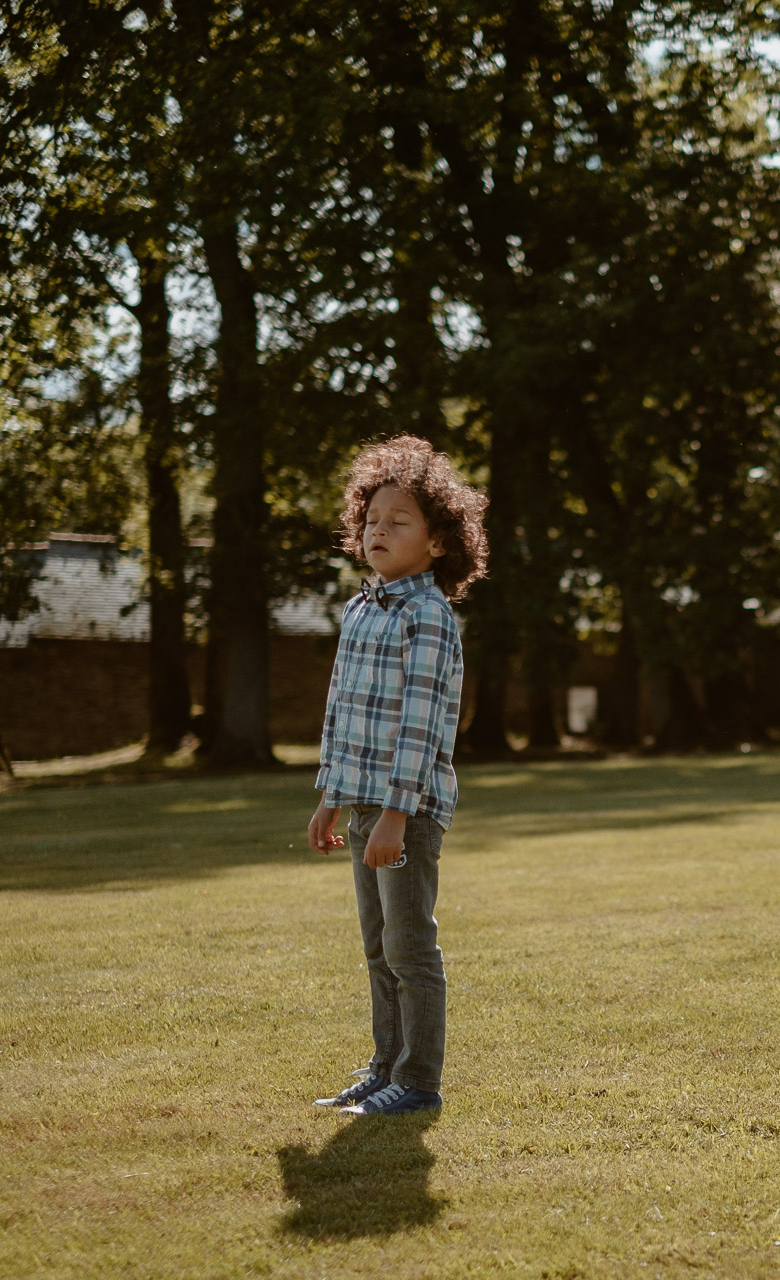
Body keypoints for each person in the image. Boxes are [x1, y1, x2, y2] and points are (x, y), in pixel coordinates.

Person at [306, 435, 488, 1117]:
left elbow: (422, 726)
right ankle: (384, 1069)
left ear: (438, 542)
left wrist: (395, 813)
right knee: (378, 948)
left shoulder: (428, 616)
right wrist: (332, 797)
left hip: (405, 810)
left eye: (399, 521)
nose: (379, 530)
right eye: (372, 519)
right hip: (362, 807)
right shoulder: (360, 610)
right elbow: (341, 712)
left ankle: (416, 1082)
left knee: (410, 948)